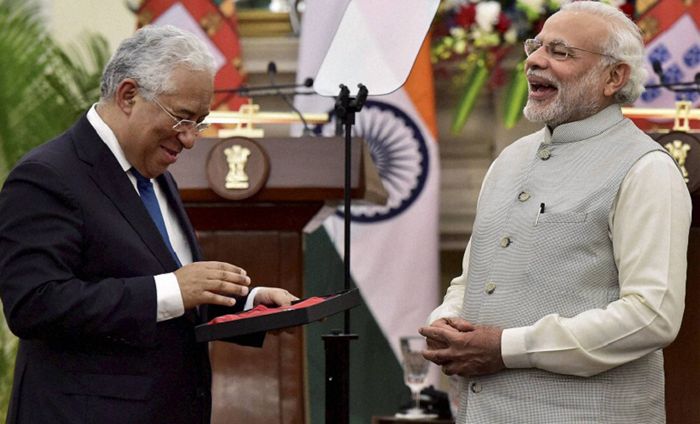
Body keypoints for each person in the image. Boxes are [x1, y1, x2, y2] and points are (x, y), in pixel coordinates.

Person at [0, 25, 296, 424]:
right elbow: (35, 304)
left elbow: (172, 296)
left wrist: (246, 305)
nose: (191, 139)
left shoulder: (155, 174)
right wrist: (174, 288)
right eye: (182, 119)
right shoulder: (47, 176)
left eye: (200, 122)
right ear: (128, 95)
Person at [419, 2, 691, 423]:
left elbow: (651, 316)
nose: (534, 61)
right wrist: (446, 323)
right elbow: (472, 280)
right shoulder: (510, 160)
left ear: (613, 77)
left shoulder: (646, 169)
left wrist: (507, 348)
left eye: (560, 52)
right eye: (536, 46)